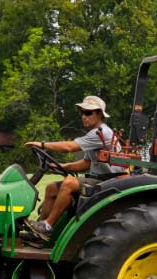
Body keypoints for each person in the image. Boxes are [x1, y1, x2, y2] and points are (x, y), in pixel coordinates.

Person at [22, 96, 118, 242]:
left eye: (88, 113)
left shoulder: (101, 132)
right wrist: (60, 166)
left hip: (108, 180)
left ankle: (48, 226)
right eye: (82, 113)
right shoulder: (94, 134)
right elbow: (86, 163)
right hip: (97, 178)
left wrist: (42, 144)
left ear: (99, 114)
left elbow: (69, 147)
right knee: (51, 188)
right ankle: (38, 230)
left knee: (69, 183)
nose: (84, 117)